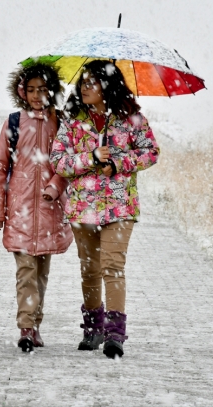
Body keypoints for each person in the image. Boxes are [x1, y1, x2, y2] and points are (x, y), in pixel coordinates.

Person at [50, 60, 160, 358]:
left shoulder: (132, 120)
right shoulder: (73, 122)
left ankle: (114, 333)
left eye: (92, 83)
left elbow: (151, 152)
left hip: (120, 207)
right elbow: (58, 162)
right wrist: (91, 157)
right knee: (90, 271)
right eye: (83, 82)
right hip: (83, 208)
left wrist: (119, 163)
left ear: (107, 86)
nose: (85, 87)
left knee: (113, 267)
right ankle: (93, 329)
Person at [0, 63, 73, 352]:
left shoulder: (60, 123)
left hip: (50, 210)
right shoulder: (14, 122)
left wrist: (55, 186)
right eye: (32, 90)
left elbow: (68, 165)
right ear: (23, 92)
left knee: (40, 273)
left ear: (52, 91)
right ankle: (25, 327)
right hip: (21, 208)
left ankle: (36, 323)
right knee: (26, 271)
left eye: (43, 89)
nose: (37, 95)